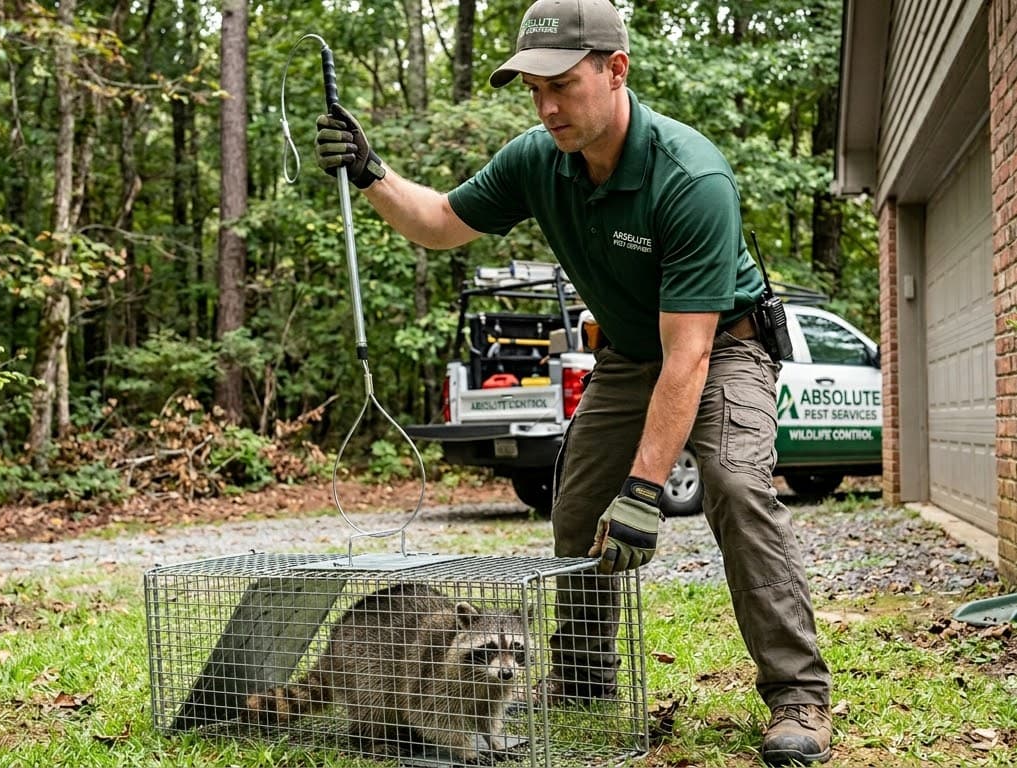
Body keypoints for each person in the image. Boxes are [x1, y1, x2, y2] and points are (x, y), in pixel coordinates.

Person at [313, 0, 832, 763]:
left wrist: (648, 490)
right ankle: (585, 675)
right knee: (580, 502)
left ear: (615, 70)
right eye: (533, 88)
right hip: (630, 352)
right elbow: (440, 223)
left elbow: (686, 357)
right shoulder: (537, 158)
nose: (547, 105)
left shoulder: (690, 177)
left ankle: (797, 694)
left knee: (731, 481)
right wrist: (371, 171)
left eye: (562, 84)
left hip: (723, 347)